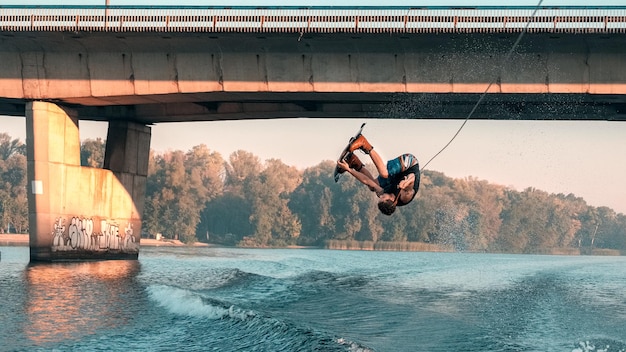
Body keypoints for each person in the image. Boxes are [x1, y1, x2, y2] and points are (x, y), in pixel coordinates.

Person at [336, 134, 420, 216]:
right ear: (391, 199)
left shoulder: (383, 194)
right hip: (410, 163)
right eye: (383, 198)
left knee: (373, 186)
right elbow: (413, 176)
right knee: (384, 174)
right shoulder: (404, 197)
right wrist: (406, 182)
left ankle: (353, 161)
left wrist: (349, 170)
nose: (381, 196)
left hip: (397, 176)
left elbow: (367, 181)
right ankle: (364, 143)